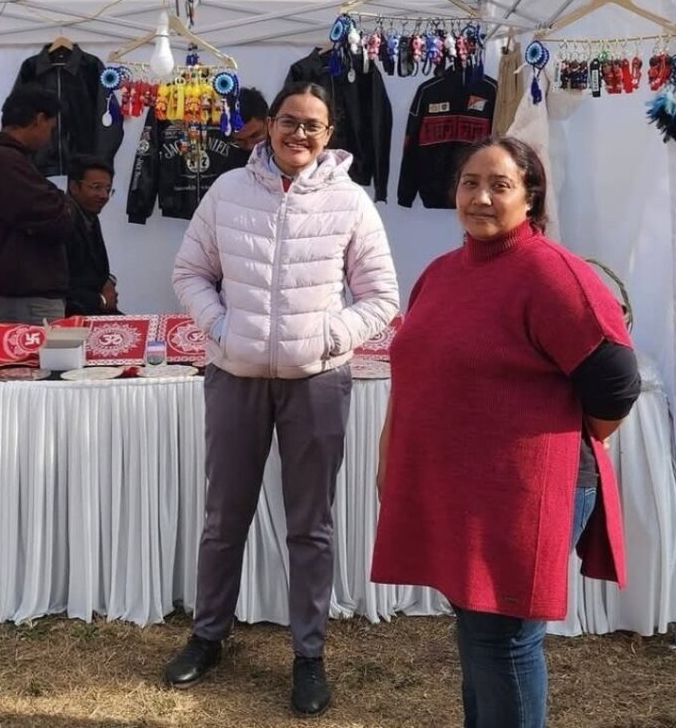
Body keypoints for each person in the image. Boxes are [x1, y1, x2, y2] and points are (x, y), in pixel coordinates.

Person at [371, 135, 641, 728]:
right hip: (462, 491)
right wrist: (391, 455)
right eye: (471, 183)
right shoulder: (441, 273)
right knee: (479, 631)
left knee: (504, 639)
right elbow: (413, 372)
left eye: (500, 185)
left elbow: (616, 383)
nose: (481, 198)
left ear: (530, 197)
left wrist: (568, 440)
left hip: (525, 494)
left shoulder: (551, 274)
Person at [166, 81, 399, 716]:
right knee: (225, 517)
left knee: (311, 525)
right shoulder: (227, 192)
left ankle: (309, 654)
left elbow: (381, 295)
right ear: (269, 126)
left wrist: (329, 337)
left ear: (329, 136)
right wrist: (221, 328)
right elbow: (190, 272)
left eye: (312, 126)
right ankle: (208, 636)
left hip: (317, 382)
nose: (299, 133)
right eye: (289, 121)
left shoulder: (350, 201)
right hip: (235, 376)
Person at [0, 85, 75, 325]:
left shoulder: (8, 159)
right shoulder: (4, 161)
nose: (50, 138)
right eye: (51, 128)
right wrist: (63, 203)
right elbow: (57, 216)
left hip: (24, 293)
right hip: (27, 297)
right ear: (38, 119)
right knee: (42, 351)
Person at [65, 154, 120, 317]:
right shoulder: (63, 219)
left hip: (90, 309)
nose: (104, 195)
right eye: (96, 187)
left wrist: (108, 281)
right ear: (74, 187)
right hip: (69, 315)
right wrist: (100, 300)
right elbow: (58, 282)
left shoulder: (89, 216)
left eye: (108, 190)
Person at [222, 86, 269, 171]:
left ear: (269, 123)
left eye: (255, 136)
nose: (250, 147)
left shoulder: (288, 154)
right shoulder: (230, 165)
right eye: (240, 140)